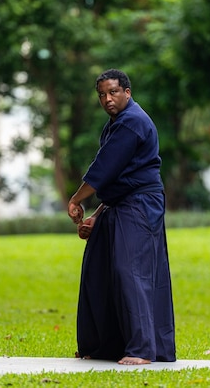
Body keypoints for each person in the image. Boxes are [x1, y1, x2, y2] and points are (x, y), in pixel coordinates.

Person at [67, 69, 176, 365]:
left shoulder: (132, 123)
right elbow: (117, 178)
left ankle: (143, 349)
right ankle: (106, 346)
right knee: (99, 269)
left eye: (113, 92)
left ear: (127, 92)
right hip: (119, 204)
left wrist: (77, 199)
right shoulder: (116, 124)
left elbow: (104, 168)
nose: (107, 99)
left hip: (141, 205)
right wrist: (96, 215)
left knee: (132, 272)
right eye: (102, 94)